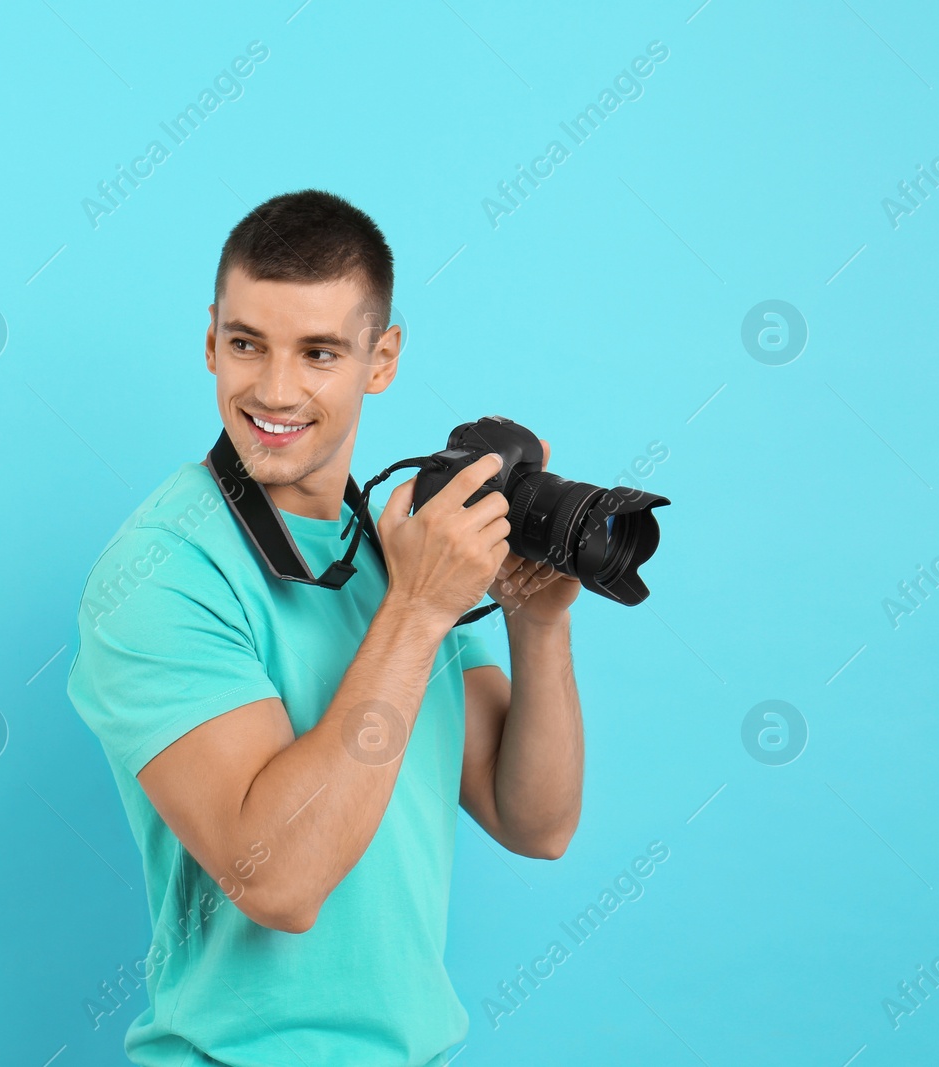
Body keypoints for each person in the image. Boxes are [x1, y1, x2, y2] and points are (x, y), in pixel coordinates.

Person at [66, 188, 584, 1067]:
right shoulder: (161, 573)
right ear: (209, 340)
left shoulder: (394, 548)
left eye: (318, 353)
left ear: (379, 358)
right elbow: (275, 879)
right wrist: (419, 611)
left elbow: (533, 820)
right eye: (246, 344)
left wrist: (538, 625)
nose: (274, 390)